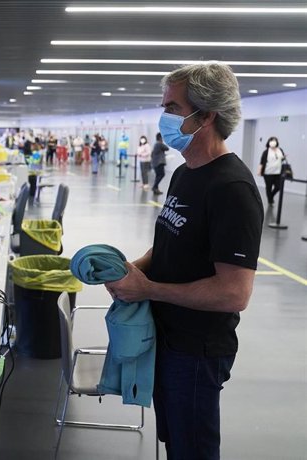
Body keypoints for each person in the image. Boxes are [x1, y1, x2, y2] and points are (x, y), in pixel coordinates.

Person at [103, 62, 263, 460]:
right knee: (175, 442)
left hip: (196, 351)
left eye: (172, 107)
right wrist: (134, 269)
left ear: (206, 115)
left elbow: (233, 293)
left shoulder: (232, 189)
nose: (164, 117)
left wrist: (149, 288)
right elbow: (169, 243)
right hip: (167, 337)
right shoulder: (185, 173)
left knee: (193, 449)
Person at [257, 136, 286, 206]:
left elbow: (281, 159)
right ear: (269, 142)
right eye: (271, 141)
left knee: (278, 186)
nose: (273, 142)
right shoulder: (266, 151)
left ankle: (271, 196)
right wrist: (259, 171)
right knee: (269, 187)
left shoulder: (280, 150)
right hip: (268, 173)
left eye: (275, 141)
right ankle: (270, 200)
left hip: (278, 173)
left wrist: (284, 157)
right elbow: (261, 162)